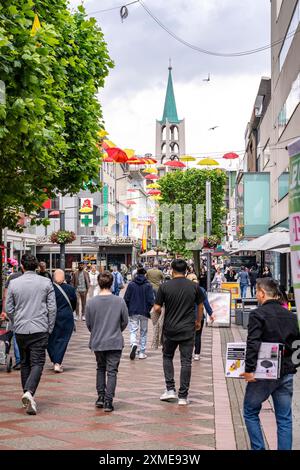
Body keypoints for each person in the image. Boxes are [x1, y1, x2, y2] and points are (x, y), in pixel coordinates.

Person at [240, 278, 300, 450]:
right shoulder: (291, 316)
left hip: (263, 373)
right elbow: (296, 343)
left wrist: (249, 369)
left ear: (262, 293)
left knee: (250, 411)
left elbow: (253, 343)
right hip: (286, 372)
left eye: (257, 292)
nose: (256, 295)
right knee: (284, 418)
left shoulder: (257, 314)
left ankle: (259, 448)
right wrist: (292, 366)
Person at [5, 254, 56, 415]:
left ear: (22, 266)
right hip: (40, 327)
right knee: (38, 362)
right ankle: (29, 392)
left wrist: (16, 321)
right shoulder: (46, 282)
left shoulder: (13, 283)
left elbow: (9, 308)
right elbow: (52, 308)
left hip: (20, 329)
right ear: (36, 267)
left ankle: (27, 393)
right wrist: (49, 327)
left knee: (25, 362)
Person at [154, 259, 204, 405]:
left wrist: (162, 309)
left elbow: (156, 308)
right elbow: (200, 305)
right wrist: (198, 321)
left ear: (172, 270)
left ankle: (170, 389)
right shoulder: (194, 287)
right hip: (188, 328)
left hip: (170, 329)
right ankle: (183, 396)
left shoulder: (164, 287)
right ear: (186, 270)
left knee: (167, 356)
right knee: (186, 361)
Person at [85, 271, 128, 412]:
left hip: (98, 340)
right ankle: (109, 402)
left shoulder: (91, 302)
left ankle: (101, 397)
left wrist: (97, 331)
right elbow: (124, 322)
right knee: (112, 372)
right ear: (112, 283)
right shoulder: (119, 301)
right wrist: (116, 330)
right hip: (114, 340)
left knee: (100, 368)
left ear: (98, 282)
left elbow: (89, 323)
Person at [47, 270, 77, 373]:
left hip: (51, 317)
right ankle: (57, 362)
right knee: (63, 340)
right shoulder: (71, 289)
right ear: (64, 278)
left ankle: (55, 360)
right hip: (66, 317)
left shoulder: (49, 288)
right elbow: (74, 304)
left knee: (50, 339)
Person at [124, 267, 154, 360]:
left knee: (133, 330)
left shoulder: (131, 284)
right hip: (144, 311)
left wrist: (128, 308)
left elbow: (126, 298)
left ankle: (133, 343)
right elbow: (151, 300)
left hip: (133, 311)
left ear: (136, 274)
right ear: (145, 274)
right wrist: (149, 309)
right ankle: (142, 352)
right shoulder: (148, 285)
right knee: (143, 331)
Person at [192, 281, 215, 361]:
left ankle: (189, 352)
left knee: (188, 336)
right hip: (199, 316)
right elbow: (205, 302)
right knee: (198, 336)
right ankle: (197, 354)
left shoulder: (185, 289)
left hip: (188, 317)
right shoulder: (201, 290)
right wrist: (211, 313)